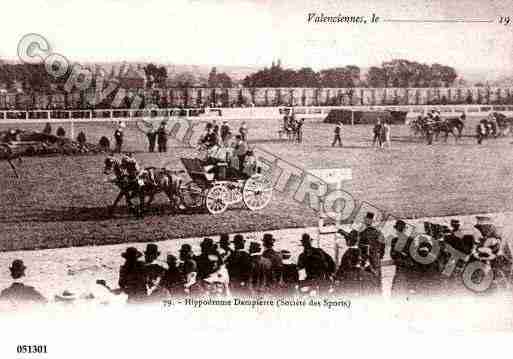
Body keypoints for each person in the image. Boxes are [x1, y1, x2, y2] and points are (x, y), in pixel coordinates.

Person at [358, 212, 385, 294]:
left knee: (367, 281)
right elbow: (383, 245)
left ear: (366, 221)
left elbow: (360, 248)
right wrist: (380, 255)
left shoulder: (362, 234)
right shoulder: (378, 232)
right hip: (376, 258)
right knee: (377, 279)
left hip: (366, 259)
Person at [389, 220, 415, 297]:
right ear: (405, 229)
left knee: (397, 290)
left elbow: (392, 255)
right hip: (409, 267)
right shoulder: (411, 240)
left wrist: (399, 255)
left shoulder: (394, 240)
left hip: (400, 267)